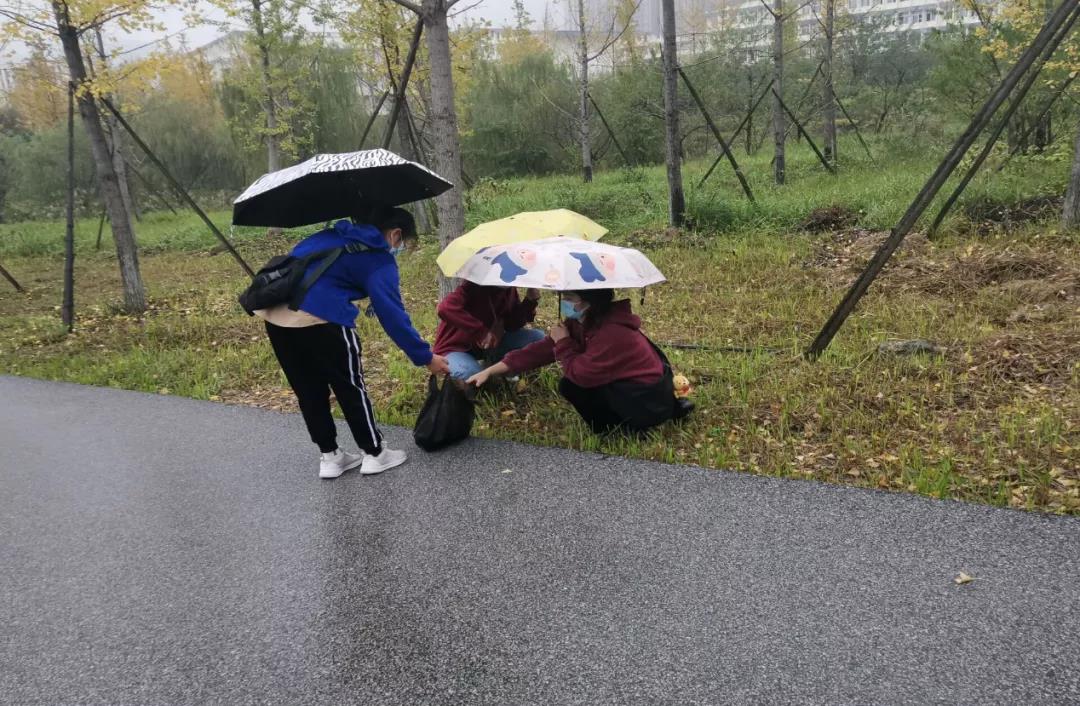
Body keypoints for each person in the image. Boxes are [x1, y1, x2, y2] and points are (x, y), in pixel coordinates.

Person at [256, 206, 450, 479]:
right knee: (350, 386)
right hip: (322, 320)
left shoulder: (327, 236)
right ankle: (375, 453)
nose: (400, 249)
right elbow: (393, 317)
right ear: (395, 234)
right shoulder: (378, 259)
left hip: (276, 317)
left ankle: (330, 457)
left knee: (308, 389)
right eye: (404, 243)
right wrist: (426, 357)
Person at [466, 289, 675, 434]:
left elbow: (579, 375)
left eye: (569, 297)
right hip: (629, 389)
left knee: (571, 385)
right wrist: (490, 371)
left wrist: (563, 342)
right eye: (563, 296)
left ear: (589, 301)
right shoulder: (582, 321)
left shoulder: (612, 332)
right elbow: (538, 352)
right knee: (572, 384)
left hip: (648, 401)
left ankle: (621, 429)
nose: (564, 301)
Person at [433, 280, 546, 381]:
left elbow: (512, 325)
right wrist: (481, 332)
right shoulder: (473, 285)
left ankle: (494, 366)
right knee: (469, 374)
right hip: (456, 348)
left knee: (539, 340)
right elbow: (445, 308)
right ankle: (476, 369)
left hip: (490, 347)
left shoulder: (509, 289)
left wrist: (529, 301)